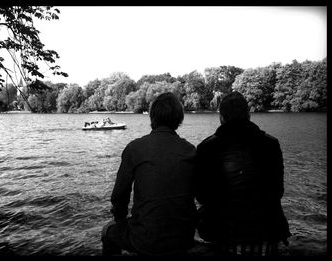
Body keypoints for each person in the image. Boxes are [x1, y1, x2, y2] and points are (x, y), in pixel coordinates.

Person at [195, 91, 291, 256]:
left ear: (221, 117)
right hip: (266, 233)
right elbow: (277, 191)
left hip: (224, 235)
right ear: (248, 115)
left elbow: (202, 196)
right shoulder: (271, 144)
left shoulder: (206, 147)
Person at [101, 92, 198, 256]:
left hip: (146, 238)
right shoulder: (190, 150)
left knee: (106, 232)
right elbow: (199, 193)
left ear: (152, 117)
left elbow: (119, 196)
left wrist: (120, 219)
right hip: (183, 238)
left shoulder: (135, 148)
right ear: (179, 119)